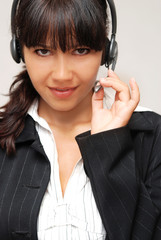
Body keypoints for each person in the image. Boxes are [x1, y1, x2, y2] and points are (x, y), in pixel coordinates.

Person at [0, 0, 161, 239]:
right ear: (19, 51)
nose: (62, 75)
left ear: (106, 51)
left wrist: (109, 147)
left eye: (81, 50)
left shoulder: (152, 136)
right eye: (43, 51)